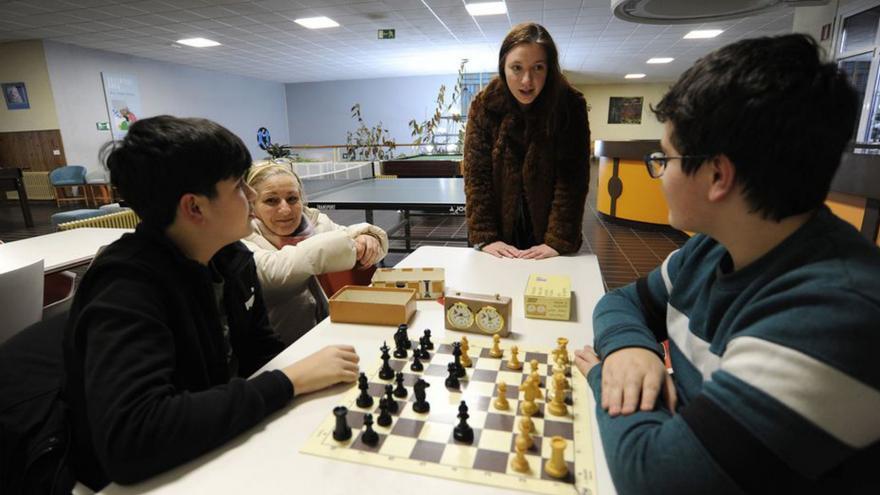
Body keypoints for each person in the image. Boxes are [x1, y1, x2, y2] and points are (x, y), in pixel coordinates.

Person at [574, 34, 880, 493]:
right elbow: (621, 303)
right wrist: (630, 350)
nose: (660, 174)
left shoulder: (834, 316)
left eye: (666, 159)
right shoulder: (716, 247)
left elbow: (653, 478)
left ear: (718, 175)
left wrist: (604, 375)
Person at [62, 116, 360, 490]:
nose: (252, 199)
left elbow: (259, 351)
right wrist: (288, 382)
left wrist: (307, 382)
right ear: (195, 208)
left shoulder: (230, 257)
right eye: (239, 186)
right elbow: (132, 440)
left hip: (206, 443)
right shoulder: (125, 286)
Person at [462, 22, 590, 260]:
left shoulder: (569, 106)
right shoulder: (484, 106)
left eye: (538, 68)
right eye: (517, 68)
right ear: (503, 67)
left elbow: (572, 179)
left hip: (547, 230)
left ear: (550, 69)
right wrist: (485, 236)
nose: (526, 81)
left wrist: (558, 240)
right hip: (497, 234)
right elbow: (476, 176)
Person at [242, 163, 388, 344]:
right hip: (278, 350)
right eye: (271, 200)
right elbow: (273, 272)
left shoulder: (314, 223)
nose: (285, 209)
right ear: (252, 205)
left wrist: (370, 237)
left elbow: (358, 237)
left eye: (292, 199)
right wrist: (346, 245)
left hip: (325, 334)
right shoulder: (242, 238)